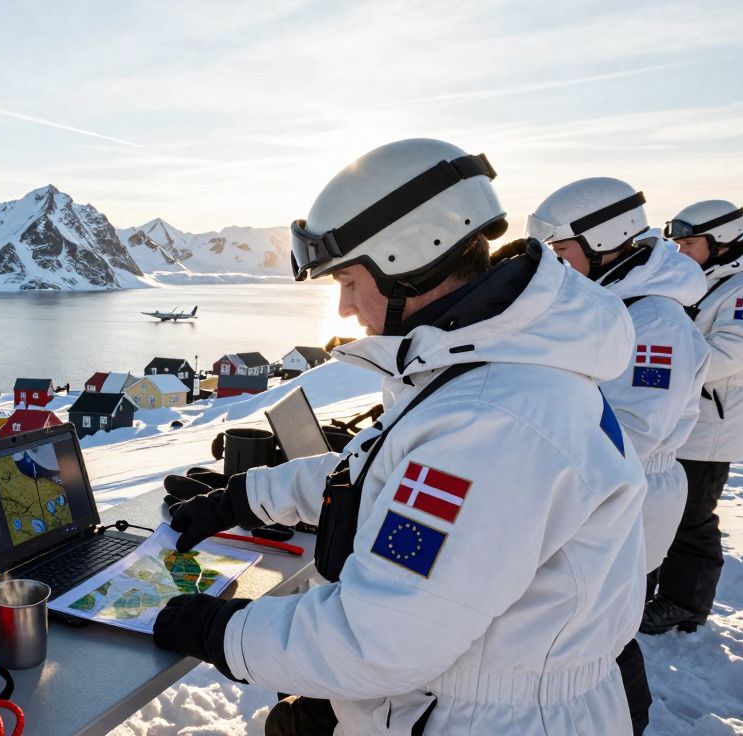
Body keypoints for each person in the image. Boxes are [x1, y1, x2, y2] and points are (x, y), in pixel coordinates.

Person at [152, 139, 647, 735]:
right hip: (446, 697)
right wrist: (244, 496)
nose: (343, 308)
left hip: (483, 720)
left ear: (408, 256)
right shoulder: (477, 365)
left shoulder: (491, 423)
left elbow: (377, 639)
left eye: (348, 281)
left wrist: (220, 630)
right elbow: (374, 472)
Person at [527, 178, 711, 734]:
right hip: (608, 482)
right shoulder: (610, 302)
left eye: (562, 254)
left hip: (633, 488)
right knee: (597, 622)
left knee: (603, 630)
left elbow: (635, 429)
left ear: (607, 241)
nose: (555, 268)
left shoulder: (657, 321)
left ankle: (627, 720)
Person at [645, 201, 743, 634]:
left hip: (712, 424)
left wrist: (667, 361)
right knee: (661, 509)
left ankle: (684, 604)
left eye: (689, 243)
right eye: (677, 243)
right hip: (683, 418)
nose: (681, 251)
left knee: (691, 516)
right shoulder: (707, 280)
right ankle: (645, 590)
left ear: (721, 241)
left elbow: (731, 354)